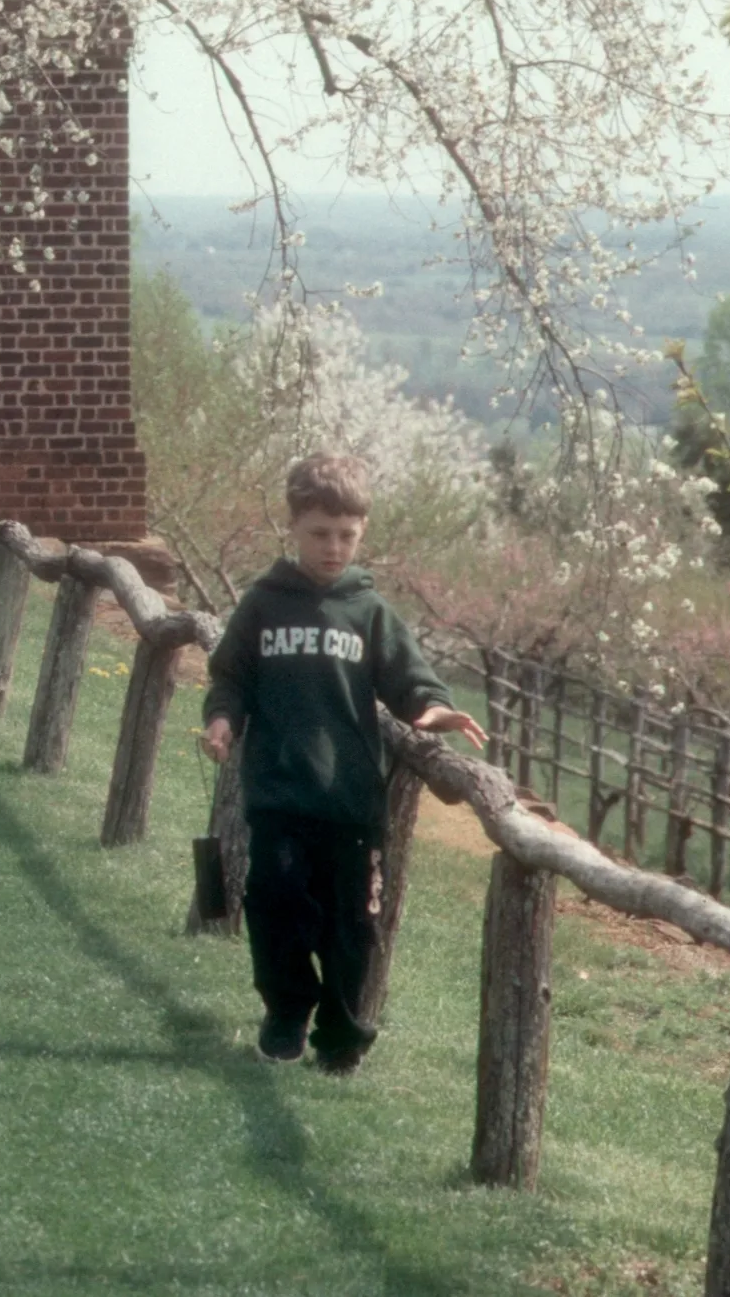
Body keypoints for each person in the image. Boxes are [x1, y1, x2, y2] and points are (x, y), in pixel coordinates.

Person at [199, 452, 488, 1076]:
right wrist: (221, 720)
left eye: (346, 536)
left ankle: (341, 1034)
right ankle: (285, 1011)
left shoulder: (369, 612)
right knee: (273, 901)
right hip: (278, 791)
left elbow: (408, 679)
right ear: (294, 528)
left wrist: (433, 711)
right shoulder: (263, 605)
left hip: (350, 801)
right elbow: (231, 678)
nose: (333, 548)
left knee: (352, 924)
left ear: (361, 533)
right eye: (319, 534)